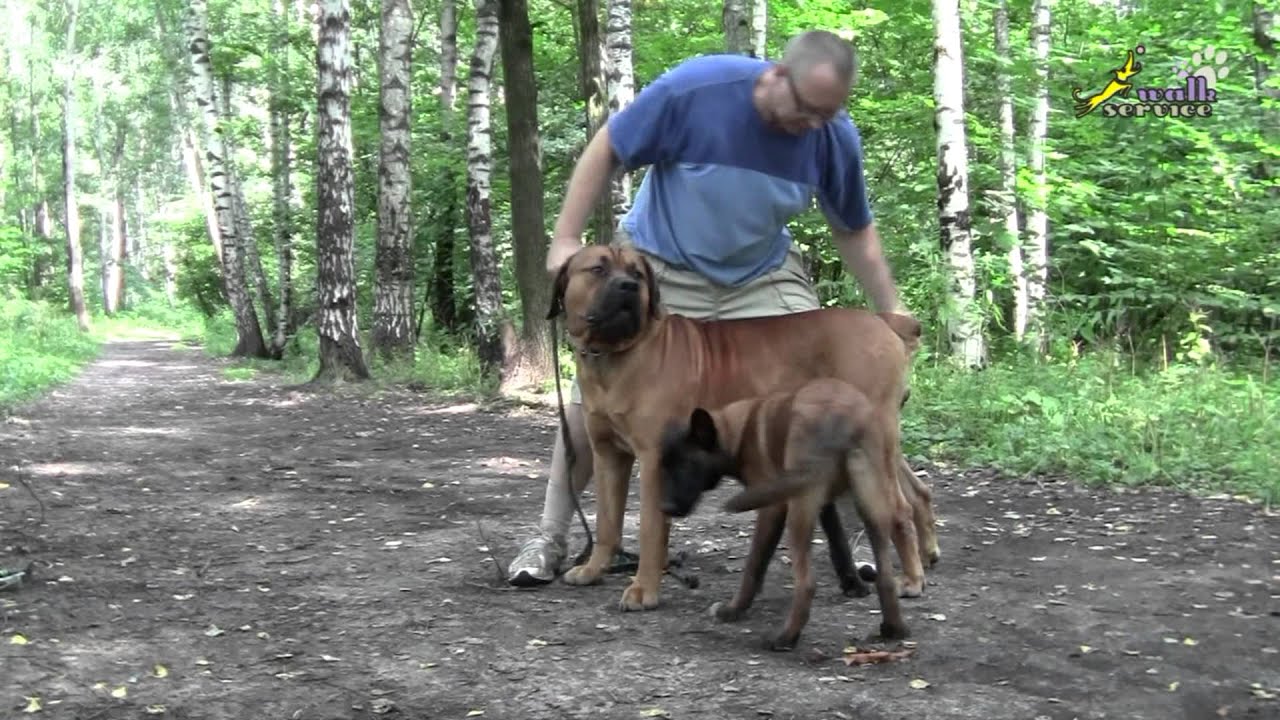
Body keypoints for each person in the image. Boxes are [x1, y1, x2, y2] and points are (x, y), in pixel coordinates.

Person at [507, 29, 908, 586]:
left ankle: (873, 531)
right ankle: (549, 538)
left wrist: (890, 308)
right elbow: (608, 150)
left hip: (759, 272)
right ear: (774, 77)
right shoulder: (695, 89)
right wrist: (564, 239)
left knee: (831, 393)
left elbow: (854, 230)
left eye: (828, 114)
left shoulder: (832, 135)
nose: (814, 125)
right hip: (660, 266)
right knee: (593, 408)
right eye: (807, 110)